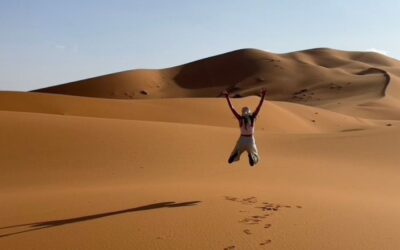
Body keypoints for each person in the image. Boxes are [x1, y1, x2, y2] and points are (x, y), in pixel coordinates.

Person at [222, 89, 266, 166]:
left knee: (235, 153)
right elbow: (259, 107)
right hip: (250, 139)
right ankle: (252, 157)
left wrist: (227, 97)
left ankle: (235, 156)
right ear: (249, 112)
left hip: (242, 139)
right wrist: (263, 96)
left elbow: (232, 108)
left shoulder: (240, 119)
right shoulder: (253, 117)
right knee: (255, 155)